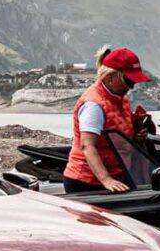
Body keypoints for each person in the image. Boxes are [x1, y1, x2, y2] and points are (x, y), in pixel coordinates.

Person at [63, 46, 154, 194]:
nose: (131, 86)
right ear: (111, 77)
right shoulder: (93, 105)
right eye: (128, 80)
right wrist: (106, 179)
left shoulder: (120, 98)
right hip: (87, 182)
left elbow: (117, 133)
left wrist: (135, 137)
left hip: (117, 176)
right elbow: (87, 146)